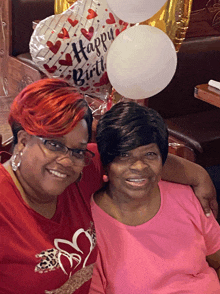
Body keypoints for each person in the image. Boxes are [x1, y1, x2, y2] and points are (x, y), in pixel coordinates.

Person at [0, 79, 218, 294]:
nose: (66, 161)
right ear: (24, 140)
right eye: (54, 144)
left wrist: (199, 176)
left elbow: (136, 159)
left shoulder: (80, 173)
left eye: (77, 150)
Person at [90, 101, 220, 294]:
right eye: (124, 155)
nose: (139, 166)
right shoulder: (90, 226)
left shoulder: (186, 196)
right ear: (106, 161)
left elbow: (217, 262)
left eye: (150, 154)